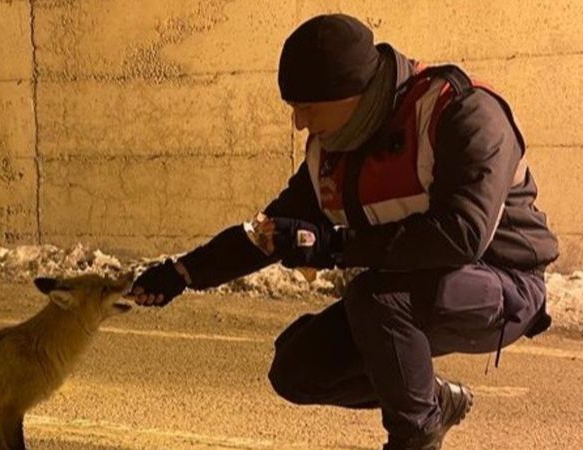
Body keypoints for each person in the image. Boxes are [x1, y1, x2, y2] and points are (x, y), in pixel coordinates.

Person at [129, 13, 558, 450]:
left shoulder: (459, 111)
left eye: (306, 107)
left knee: (375, 299)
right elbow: (266, 232)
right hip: (404, 293)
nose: (298, 123)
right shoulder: (331, 151)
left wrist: (335, 246)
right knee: (296, 368)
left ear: (348, 90)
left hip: (506, 287)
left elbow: (461, 235)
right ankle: (429, 400)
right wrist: (181, 274)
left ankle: (416, 437)